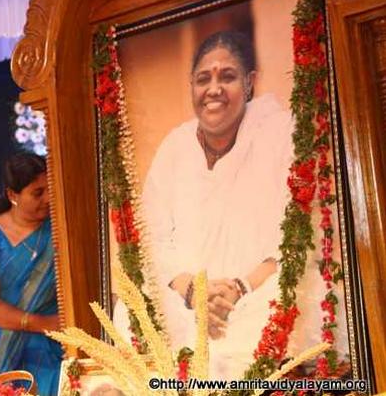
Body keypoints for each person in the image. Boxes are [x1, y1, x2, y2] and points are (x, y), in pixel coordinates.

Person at [141, 30, 344, 379]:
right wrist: (193, 291)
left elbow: (299, 237)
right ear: (192, 86)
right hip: (187, 296)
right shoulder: (175, 146)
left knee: (300, 301)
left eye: (227, 77)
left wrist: (239, 287)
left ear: (249, 83)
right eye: (203, 79)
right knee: (135, 310)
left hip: (257, 290)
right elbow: (151, 239)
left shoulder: (280, 133)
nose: (214, 89)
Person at [0, 152, 62, 396]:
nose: (48, 198)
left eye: (49, 189)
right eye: (38, 193)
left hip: (54, 350)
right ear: (13, 195)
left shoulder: (59, 228)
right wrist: (40, 324)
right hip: (7, 351)